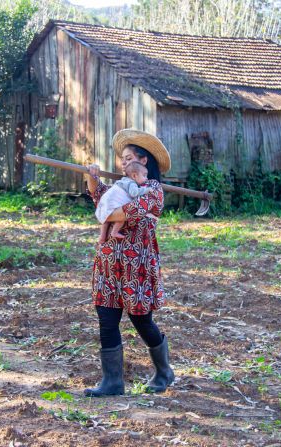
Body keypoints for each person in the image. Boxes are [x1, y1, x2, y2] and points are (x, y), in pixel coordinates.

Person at [83, 128, 175, 397]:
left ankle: (164, 371)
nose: (122, 163)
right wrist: (92, 178)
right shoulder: (122, 186)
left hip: (137, 264)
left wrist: (107, 209)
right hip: (110, 262)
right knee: (106, 318)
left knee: (141, 319)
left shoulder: (154, 191)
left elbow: (121, 211)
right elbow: (100, 197)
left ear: (143, 161)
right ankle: (112, 382)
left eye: (128, 158)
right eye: (122, 159)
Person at [95, 161, 152, 244]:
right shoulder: (132, 183)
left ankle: (102, 237)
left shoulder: (124, 180)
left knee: (106, 220)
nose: (146, 178)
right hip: (113, 201)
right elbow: (134, 193)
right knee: (121, 217)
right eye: (144, 175)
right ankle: (114, 232)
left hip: (106, 201)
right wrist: (146, 190)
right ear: (134, 176)